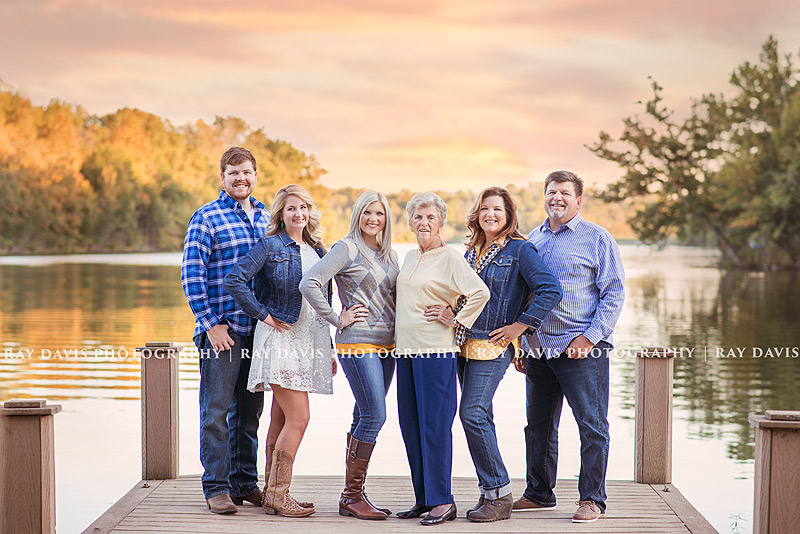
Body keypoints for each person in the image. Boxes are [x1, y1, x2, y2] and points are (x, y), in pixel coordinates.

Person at [513, 170, 625, 523]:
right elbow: (526, 293)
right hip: (540, 349)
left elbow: (614, 293)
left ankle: (592, 499)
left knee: (591, 425)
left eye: (564, 193)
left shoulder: (597, 238)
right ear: (544, 197)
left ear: (578, 200)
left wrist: (589, 337)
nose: (556, 198)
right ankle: (539, 493)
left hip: (582, 349)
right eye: (551, 192)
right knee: (539, 425)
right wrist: (522, 341)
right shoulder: (534, 238)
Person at [223, 184, 336, 518]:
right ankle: (277, 494)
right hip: (281, 338)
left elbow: (323, 302)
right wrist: (264, 314)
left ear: (310, 211)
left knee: (281, 416)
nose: (298, 214)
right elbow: (234, 281)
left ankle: (273, 491)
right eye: (291, 209)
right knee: (300, 417)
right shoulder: (269, 245)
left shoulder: (318, 249)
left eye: (303, 207)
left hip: (309, 340)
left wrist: (327, 347)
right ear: (280, 214)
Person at [454, 187, 562, 522]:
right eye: (485, 209)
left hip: (494, 344)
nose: (490, 215)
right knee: (479, 415)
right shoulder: (471, 251)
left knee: (471, 413)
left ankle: (500, 493)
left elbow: (550, 289)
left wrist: (520, 327)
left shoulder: (520, 250)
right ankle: (490, 492)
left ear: (508, 215)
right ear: (477, 214)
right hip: (462, 343)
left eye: (497, 210)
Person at [299, 191, 399, 520]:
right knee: (375, 415)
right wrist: (335, 317)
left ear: (386, 219)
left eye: (379, 214)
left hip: (388, 346)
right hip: (357, 342)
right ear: (357, 215)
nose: (373, 219)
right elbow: (310, 282)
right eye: (367, 212)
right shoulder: (346, 247)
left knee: (363, 416)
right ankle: (352, 495)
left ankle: (352, 497)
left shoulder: (388, 254)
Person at [180, 147, 268, 514]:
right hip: (223, 330)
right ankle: (216, 487)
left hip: (258, 331)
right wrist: (211, 324)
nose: (241, 179)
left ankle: (244, 483)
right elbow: (191, 275)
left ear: (255, 174)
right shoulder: (206, 218)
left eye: (246, 172)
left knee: (249, 413)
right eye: (233, 173)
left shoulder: (267, 217)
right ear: (223, 178)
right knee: (215, 412)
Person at [394, 192, 490, 525]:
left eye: (430, 218)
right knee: (411, 426)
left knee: (435, 427)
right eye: (418, 217)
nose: (423, 223)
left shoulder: (450, 258)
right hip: (405, 352)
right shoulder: (408, 257)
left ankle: (442, 501)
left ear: (441, 222)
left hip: (435, 351)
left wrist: (457, 318)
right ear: (409, 222)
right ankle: (423, 498)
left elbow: (480, 292)